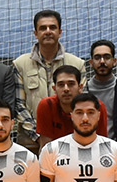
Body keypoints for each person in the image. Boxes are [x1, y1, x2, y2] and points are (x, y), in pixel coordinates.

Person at [13, 9, 83, 148]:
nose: (48, 31)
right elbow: (19, 106)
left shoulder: (77, 64)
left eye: (52, 27)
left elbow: (80, 103)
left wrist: (63, 139)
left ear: (60, 32)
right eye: (43, 28)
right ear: (36, 33)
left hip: (70, 143)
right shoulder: (20, 64)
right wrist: (40, 136)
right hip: (30, 145)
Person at [34, 65, 84, 146]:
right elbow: (46, 147)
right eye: (61, 85)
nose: (66, 89)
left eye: (71, 84)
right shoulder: (47, 105)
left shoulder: (95, 107)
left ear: (80, 87)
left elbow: (101, 145)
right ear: (54, 89)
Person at [85, 39, 117, 118]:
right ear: (91, 63)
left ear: (114, 61)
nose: (102, 61)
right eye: (97, 58)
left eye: (107, 57)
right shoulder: (84, 89)